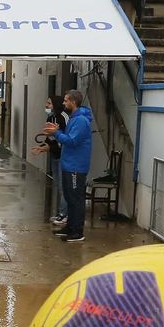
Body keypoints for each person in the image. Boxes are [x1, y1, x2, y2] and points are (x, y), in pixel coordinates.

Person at [42, 89, 92, 244]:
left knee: (76, 199)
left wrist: (56, 133)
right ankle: (70, 227)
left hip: (76, 166)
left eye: (66, 100)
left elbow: (72, 141)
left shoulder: (80, 121)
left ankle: (77, 232)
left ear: (73, 102)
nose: (63, 103)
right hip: (69, 165)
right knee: (70, 197)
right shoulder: (74, 118)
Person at [32, 95, 68, 227]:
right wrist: (42, 148)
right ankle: (61, 213)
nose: (46, 106)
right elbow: (50, 139)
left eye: (49, 103)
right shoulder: (50, 118)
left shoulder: (64, 117)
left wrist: (48, 147)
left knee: (64, 187)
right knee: (58, 185)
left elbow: (64, 139)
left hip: (64, 156)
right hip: (54, 156)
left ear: (55, 104)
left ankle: (64, 214)